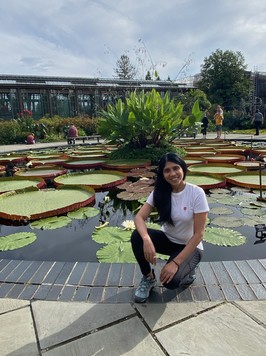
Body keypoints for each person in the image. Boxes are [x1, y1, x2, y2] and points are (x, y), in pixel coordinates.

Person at [131, 153, 209, 303]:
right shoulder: (159, 192)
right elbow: (139, 218)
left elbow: (199, 234)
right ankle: (148, 278)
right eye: (167, 170)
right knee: (137, 236)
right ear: (162, 174)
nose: (172, 174)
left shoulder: (196, 193)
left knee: (170, 282)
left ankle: (190, 270)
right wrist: (147, 240)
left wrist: (175, 263)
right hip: (169, 240)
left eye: (176, 168)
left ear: (183, 168)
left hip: (191, 247)